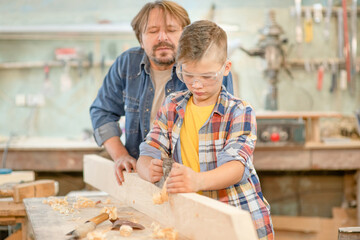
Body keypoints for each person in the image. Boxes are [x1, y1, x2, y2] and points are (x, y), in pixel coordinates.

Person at [136, 20, 274, 239]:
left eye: (207, 76)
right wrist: (147, 169)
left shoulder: (239, 111)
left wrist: (198, 181)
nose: (197, 84)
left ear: (226, 68)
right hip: (192, 218)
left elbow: (236, 168)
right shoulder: (172, 105)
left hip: (237, 220)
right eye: (188, 75)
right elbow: (149, 150)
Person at [89, 0, 233, 185]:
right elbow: (102, 112)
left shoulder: (211, 71)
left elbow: (224, 130)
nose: (162, 37)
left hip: (195, 181)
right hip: (142, 176)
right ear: (141, 38)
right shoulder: (126, 64)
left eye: (172, 30)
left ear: (185, 35)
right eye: (153, 31)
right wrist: (120, 156)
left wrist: (203, 180)